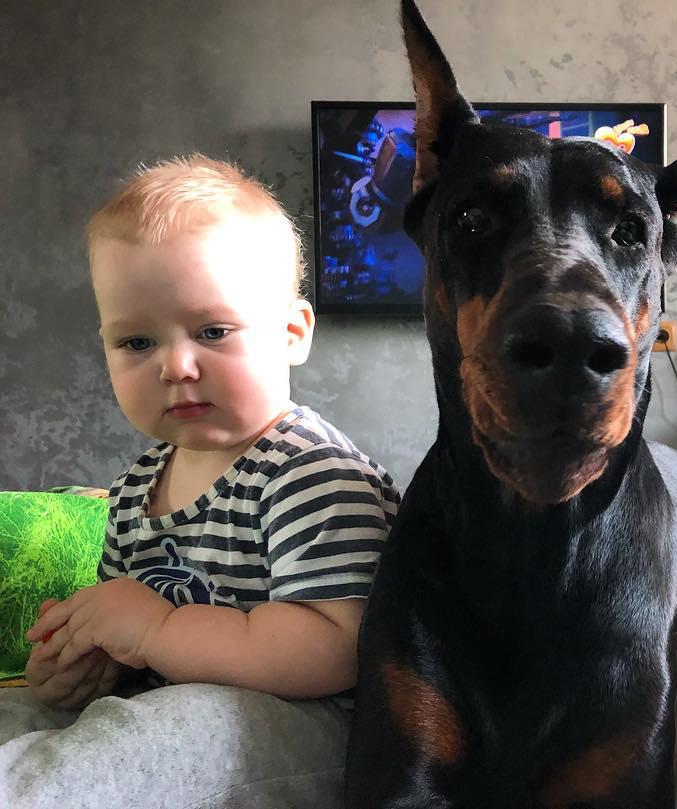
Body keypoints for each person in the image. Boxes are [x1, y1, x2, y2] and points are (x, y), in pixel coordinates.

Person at [0, 155, 400, 809]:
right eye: (136, 343)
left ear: (293, 333)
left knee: (150, 739)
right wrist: (84, 664)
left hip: (310, 732)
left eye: (213, 331)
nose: (176, 365)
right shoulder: (132, 491)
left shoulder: (313, 473)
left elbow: (334, 648)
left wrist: (155, 626)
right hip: (163, 720)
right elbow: (127, 645)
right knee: (37, 721)